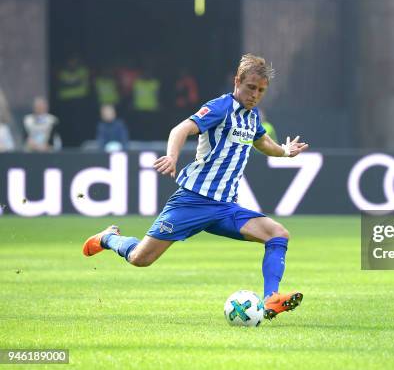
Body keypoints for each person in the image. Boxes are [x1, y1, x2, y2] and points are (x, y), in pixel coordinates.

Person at [82, 54, 309, 320]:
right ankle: (109, 237)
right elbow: (180, 129)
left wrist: (284, 151)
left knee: (278, 234)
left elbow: (262, 142)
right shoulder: (220, 108)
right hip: (193, 201)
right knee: (141, 259)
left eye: (261, 90)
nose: (255, 95)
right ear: (237, 82)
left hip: (225, 207)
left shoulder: (252, 117)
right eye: (250, 88)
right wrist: (172, 157)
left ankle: (271, 299)